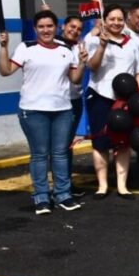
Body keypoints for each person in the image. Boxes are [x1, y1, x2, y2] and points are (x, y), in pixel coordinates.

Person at [0, 10, 84, 214]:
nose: (46, 30)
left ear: (56, 27)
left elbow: (75, 79)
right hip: (33, 110)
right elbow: (5, 70)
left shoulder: (66, 49)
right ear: (35, 29)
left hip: (62, 110)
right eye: (41, 27)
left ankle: (63, 195)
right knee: (40, 155)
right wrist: (3, 47)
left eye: (49, 26)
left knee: (60, 154)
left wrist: (82, 62)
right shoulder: (26, 48)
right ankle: (41, 197)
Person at [84, 1, 139, 199]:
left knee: (123, 142)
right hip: (100, 96)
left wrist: (133, 96)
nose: (116, 23)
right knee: (100, 142)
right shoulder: (93, 40)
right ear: (105, 20)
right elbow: (92, 66)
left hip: (124, 101)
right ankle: (102, 185)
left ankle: (122, 186)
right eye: (112, 19)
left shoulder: (132, 43)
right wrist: (102, 46)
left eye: (120, 19)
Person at [58, 14, 88, 198]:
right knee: (56, 147)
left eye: (78, 29)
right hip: (56, 102)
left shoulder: (80, 47)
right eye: (72, 26)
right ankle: (55, 186)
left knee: (66, 145)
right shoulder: (52, 45)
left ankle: (66, 183)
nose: (75, 31)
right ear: (63, 26)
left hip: (74, 100)